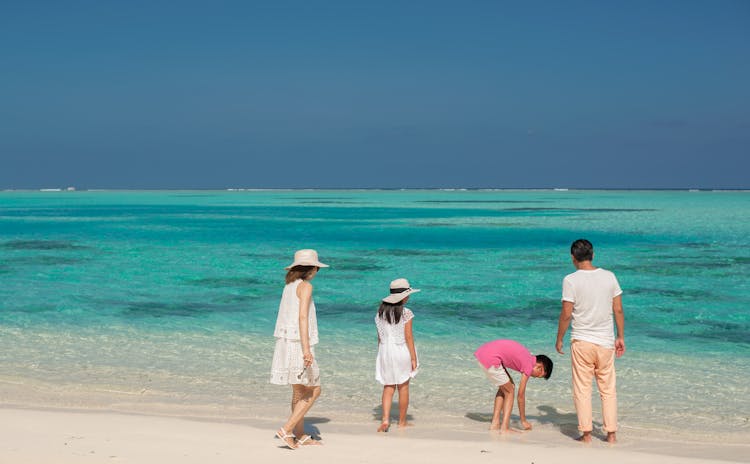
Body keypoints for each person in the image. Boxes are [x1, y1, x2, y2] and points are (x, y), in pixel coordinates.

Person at [555, 239, 625, 444]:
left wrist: (559, 338)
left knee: (582, 389)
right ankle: (611, 433)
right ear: (593, 255)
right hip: (605, 342)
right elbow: (618, 309)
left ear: (572, 258)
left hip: (582, 342)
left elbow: (566, 314)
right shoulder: (609, 276)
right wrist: (620, 336)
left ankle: (586, 434)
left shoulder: (570, 280)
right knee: (608, 389)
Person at [270, 249, 328, 449]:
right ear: (310, 269)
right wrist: (306, 350)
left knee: (298, 391)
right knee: (314, 389)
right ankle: (287, 429)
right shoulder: (305, 286)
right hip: (298, 343)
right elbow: (302, 317)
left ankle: (300, 434)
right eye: (316, 269)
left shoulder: (289, 286)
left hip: (286, 342)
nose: (316, 272)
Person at [474, 339, 553, 433]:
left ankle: (495, 423)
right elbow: (520, 396)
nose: (535, 377)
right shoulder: (528, 365)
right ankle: (505, 427)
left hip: (483, 354)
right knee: (510, 391)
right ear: (539, 367)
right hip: (491, 358)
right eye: (539, 375)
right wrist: (523, 421)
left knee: (507, 387)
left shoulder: (526, 357)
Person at [375, 278, 420, 432]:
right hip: (401, 351)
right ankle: (402, 422)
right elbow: (408, 337)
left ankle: (385, 420)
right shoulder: (406, 312)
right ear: (404, 297)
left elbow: (379, 337)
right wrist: (414, 358)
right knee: (403, 387)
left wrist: (380, 356)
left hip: (385, 351)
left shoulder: (380, 312)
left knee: (388, 387)